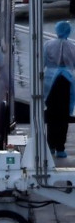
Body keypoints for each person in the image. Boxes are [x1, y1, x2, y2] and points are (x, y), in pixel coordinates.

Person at [43, 20, 75, 158]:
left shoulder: (48, 44)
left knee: (51, 115)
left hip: (51, 82)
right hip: (66, 81)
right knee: (63, 116)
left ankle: (50, 146)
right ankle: (60, 148)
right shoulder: (72, 46)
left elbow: (42, 62)